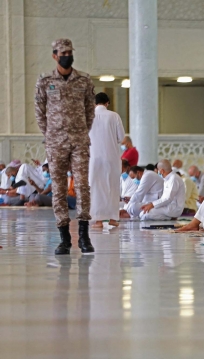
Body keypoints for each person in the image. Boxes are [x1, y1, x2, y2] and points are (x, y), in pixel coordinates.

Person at [35, 38, 95, 255]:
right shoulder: (45, 81)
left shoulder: (84, 81)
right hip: (55, 143)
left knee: (82, 186)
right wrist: (50, 133)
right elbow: (39, 111)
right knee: (59, 189)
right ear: (55, 56)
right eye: (63, 53)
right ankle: (64, 238)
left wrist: (81, 131)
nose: (67, 56)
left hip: (79, 141)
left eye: (69, 52)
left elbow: (90, 110)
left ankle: (84, 236)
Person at [89, 92, 125, 228]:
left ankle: (97, 220)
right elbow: (121, 137)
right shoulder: (114, 116)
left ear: (94, 103)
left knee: (96, 187)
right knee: (113, 187)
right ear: (107, 103)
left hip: (93, 158)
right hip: (111, 158)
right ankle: (113, 219)